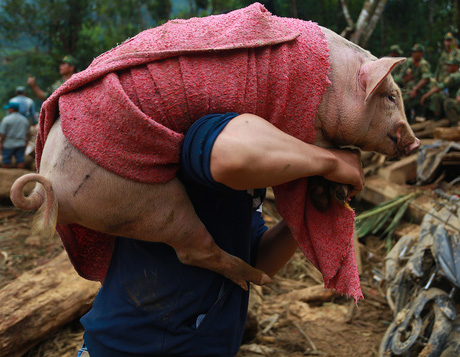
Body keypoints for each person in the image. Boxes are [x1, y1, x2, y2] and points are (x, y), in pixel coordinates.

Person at [77, 112, 365, 357]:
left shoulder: (251, 179)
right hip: (133, 348)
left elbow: (255, 263)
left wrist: (306, 213)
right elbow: (230, 158)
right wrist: (332, 161)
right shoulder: (209, 127)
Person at [420, 54, 460, 120]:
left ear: (455, 66)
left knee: (435, 96)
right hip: (457, 99)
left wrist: (425, 95)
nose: (448, 67)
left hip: (454, 99)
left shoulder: (453, 77)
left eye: (450, 65)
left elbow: (439, 87)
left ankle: (437, 118)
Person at [402, 44, 435, 121]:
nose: (414, 54)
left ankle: (408, 120)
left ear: (421, 53)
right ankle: (408, 119)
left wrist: (415, 89)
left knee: (405, 101)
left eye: (416, 52)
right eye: (413, 52)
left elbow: (426, 79)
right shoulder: (412, 63)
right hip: (414, 89)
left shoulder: (423, 64)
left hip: (422, 90)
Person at [0, 101, 30, 169]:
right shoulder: (24, 120)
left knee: (6, 162)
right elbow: (27, 134)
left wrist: (1, 143)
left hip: (8, 144)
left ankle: (6, 177)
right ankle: (20, 175)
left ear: (11, 109)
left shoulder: (6, 119)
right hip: (21, 144)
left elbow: (2, 134)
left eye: (8, 109)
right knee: (20, 161)